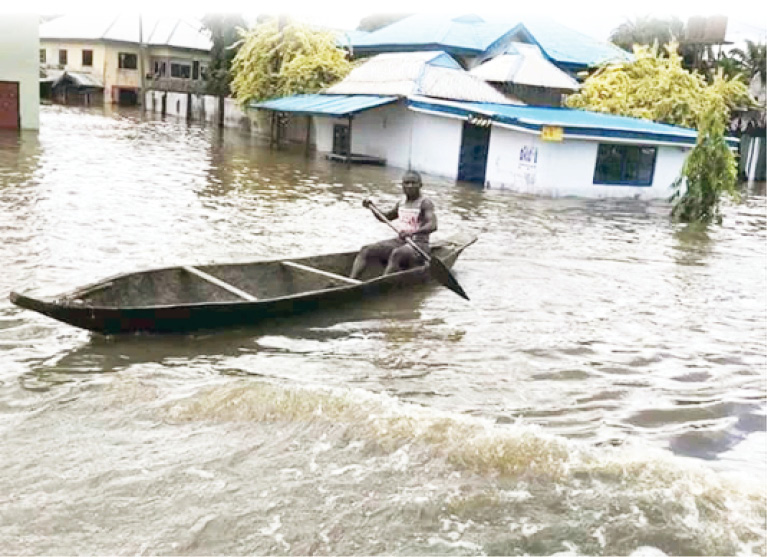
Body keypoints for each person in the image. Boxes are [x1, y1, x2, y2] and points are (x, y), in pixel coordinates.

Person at [350, 170, 437, 280]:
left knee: (397, 253)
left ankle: (381, 284)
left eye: (413, 183)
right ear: (402, 185)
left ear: (420, 185)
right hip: (401, 241)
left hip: (419, 244)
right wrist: (373, 207)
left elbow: (433, 225)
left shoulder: (425, 203)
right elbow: (386, 218)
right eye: (406, 183)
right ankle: (350, 281)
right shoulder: (401, 203)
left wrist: (412, 232)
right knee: (366, 250)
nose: (410, 186)